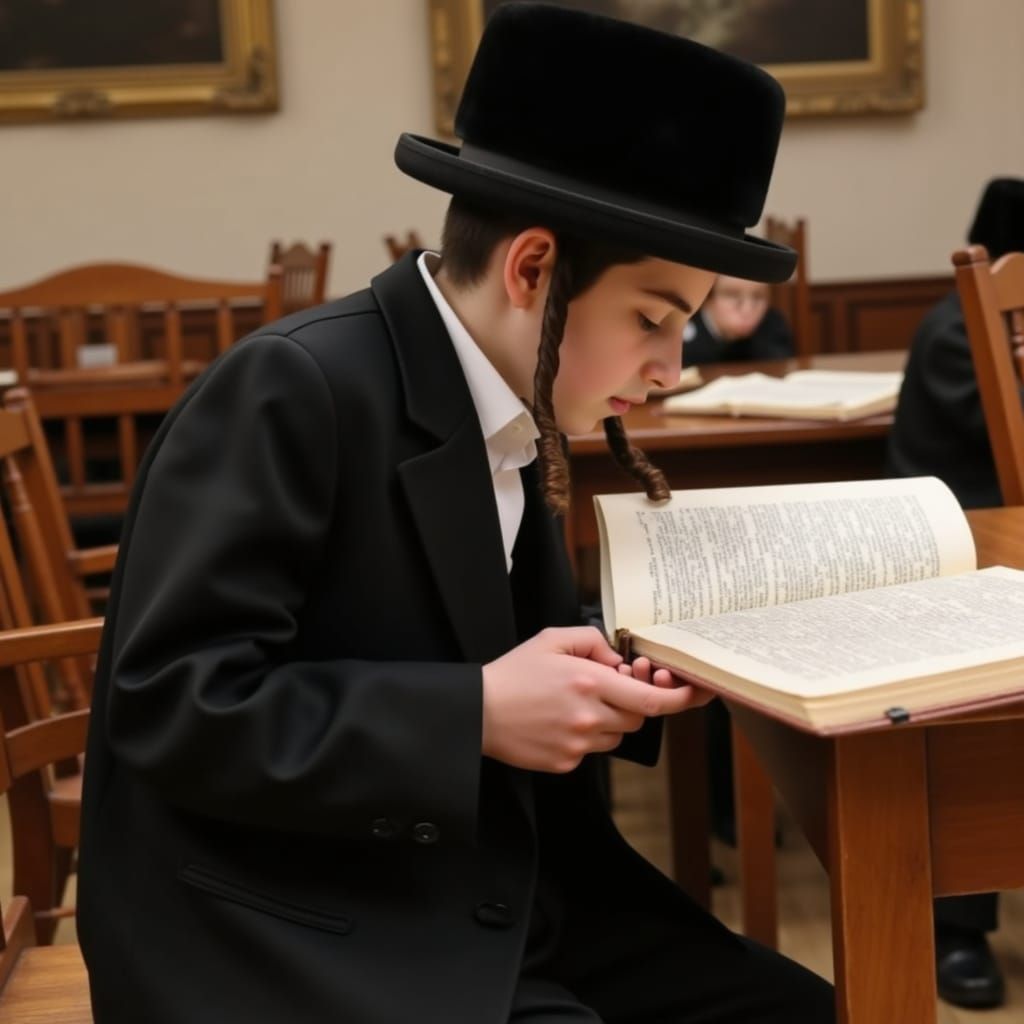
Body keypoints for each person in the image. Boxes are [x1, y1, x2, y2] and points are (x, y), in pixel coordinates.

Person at [77, 5, 835, 1022]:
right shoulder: (292, 389)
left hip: (490, 894)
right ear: (531, 270)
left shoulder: (517, 404)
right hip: (291, 923)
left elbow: (491, 651)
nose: (669, 369)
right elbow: (170, 705)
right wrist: (474, 713)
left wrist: (618, 676)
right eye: (653, 319)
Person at [886, 175, 1024, 1011]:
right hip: (952, 533)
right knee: (977, 709)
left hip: (998, 524)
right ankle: (958, 919)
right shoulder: (955, 330)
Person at [682, 273, 794, 365]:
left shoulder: (774, 324)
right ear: (707, 298)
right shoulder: (682, 329)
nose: (747, 310)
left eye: (758, 296)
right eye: (732, 294)